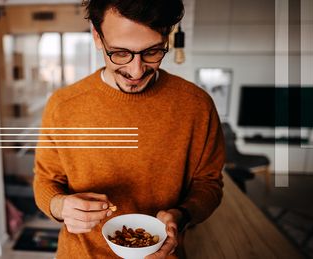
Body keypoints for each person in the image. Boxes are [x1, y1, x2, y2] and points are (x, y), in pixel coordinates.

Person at [33, 0, 225, 258]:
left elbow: (209, 184)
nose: (136, 71)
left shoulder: (197, 106)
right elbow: (45, 182)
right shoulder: (62, 105)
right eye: (120, 53)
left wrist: (182, 215)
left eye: (152, 52)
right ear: (97, 36)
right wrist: (60, 206)